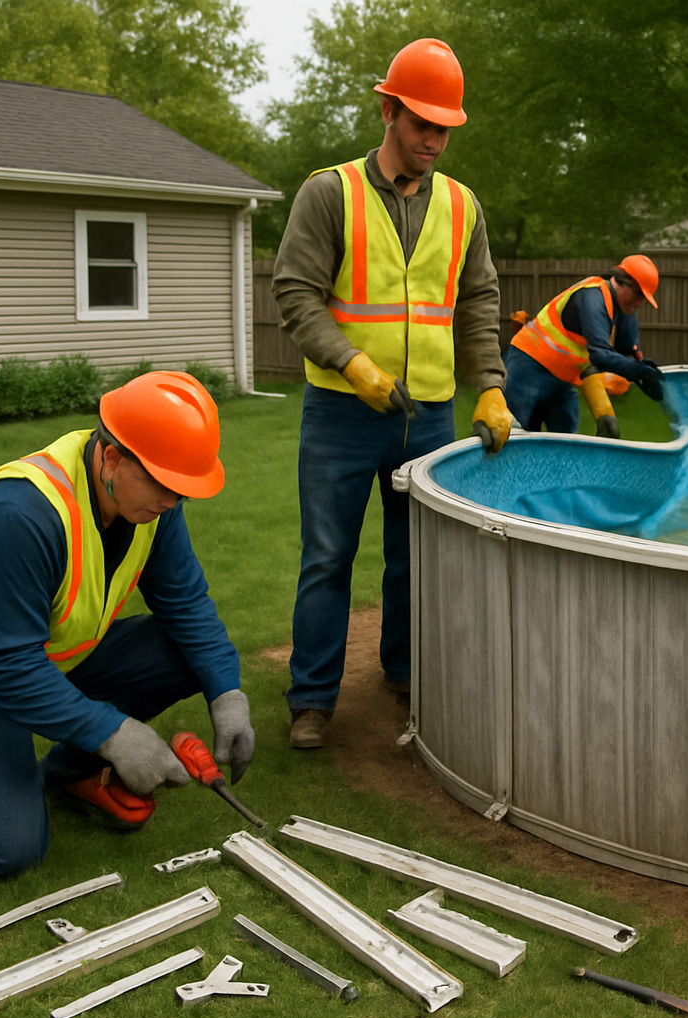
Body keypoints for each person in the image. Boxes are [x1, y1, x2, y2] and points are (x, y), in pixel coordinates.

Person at [0, 371, 254, 879]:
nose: (173, 502)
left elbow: (186, 602)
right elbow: (5, 666)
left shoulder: (150, 505)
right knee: (5, 849)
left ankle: (71, 772)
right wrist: (113, 733)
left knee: (189, 656)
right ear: (111, 457)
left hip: (42, 656)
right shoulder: (21, 514)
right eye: (164, 484)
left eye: (183, 490)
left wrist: (227, 693)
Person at [273, 37, 511, 749]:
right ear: (387, 111)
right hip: (344, 413)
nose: (434, 141)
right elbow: (294, 292)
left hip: (430, 416)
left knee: (418, 557)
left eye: (445, 128)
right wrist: (351, 364)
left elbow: (478, 301)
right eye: (421, 125)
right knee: (327, 555)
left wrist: (492, 389)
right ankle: (312, 700)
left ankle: (406, 672)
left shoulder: (464, 207)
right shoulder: (329, 193)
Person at [503, 255, 665, 438]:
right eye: (640, 296)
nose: (641, 303)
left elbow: (628, 350)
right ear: (626, 283)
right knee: (510, 436)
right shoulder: (593, 298)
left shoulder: (623, 308)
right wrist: (639, 371)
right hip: (529, 365)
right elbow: (600, 356)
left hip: (563, 377)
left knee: (567, 442)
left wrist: (642, 369)